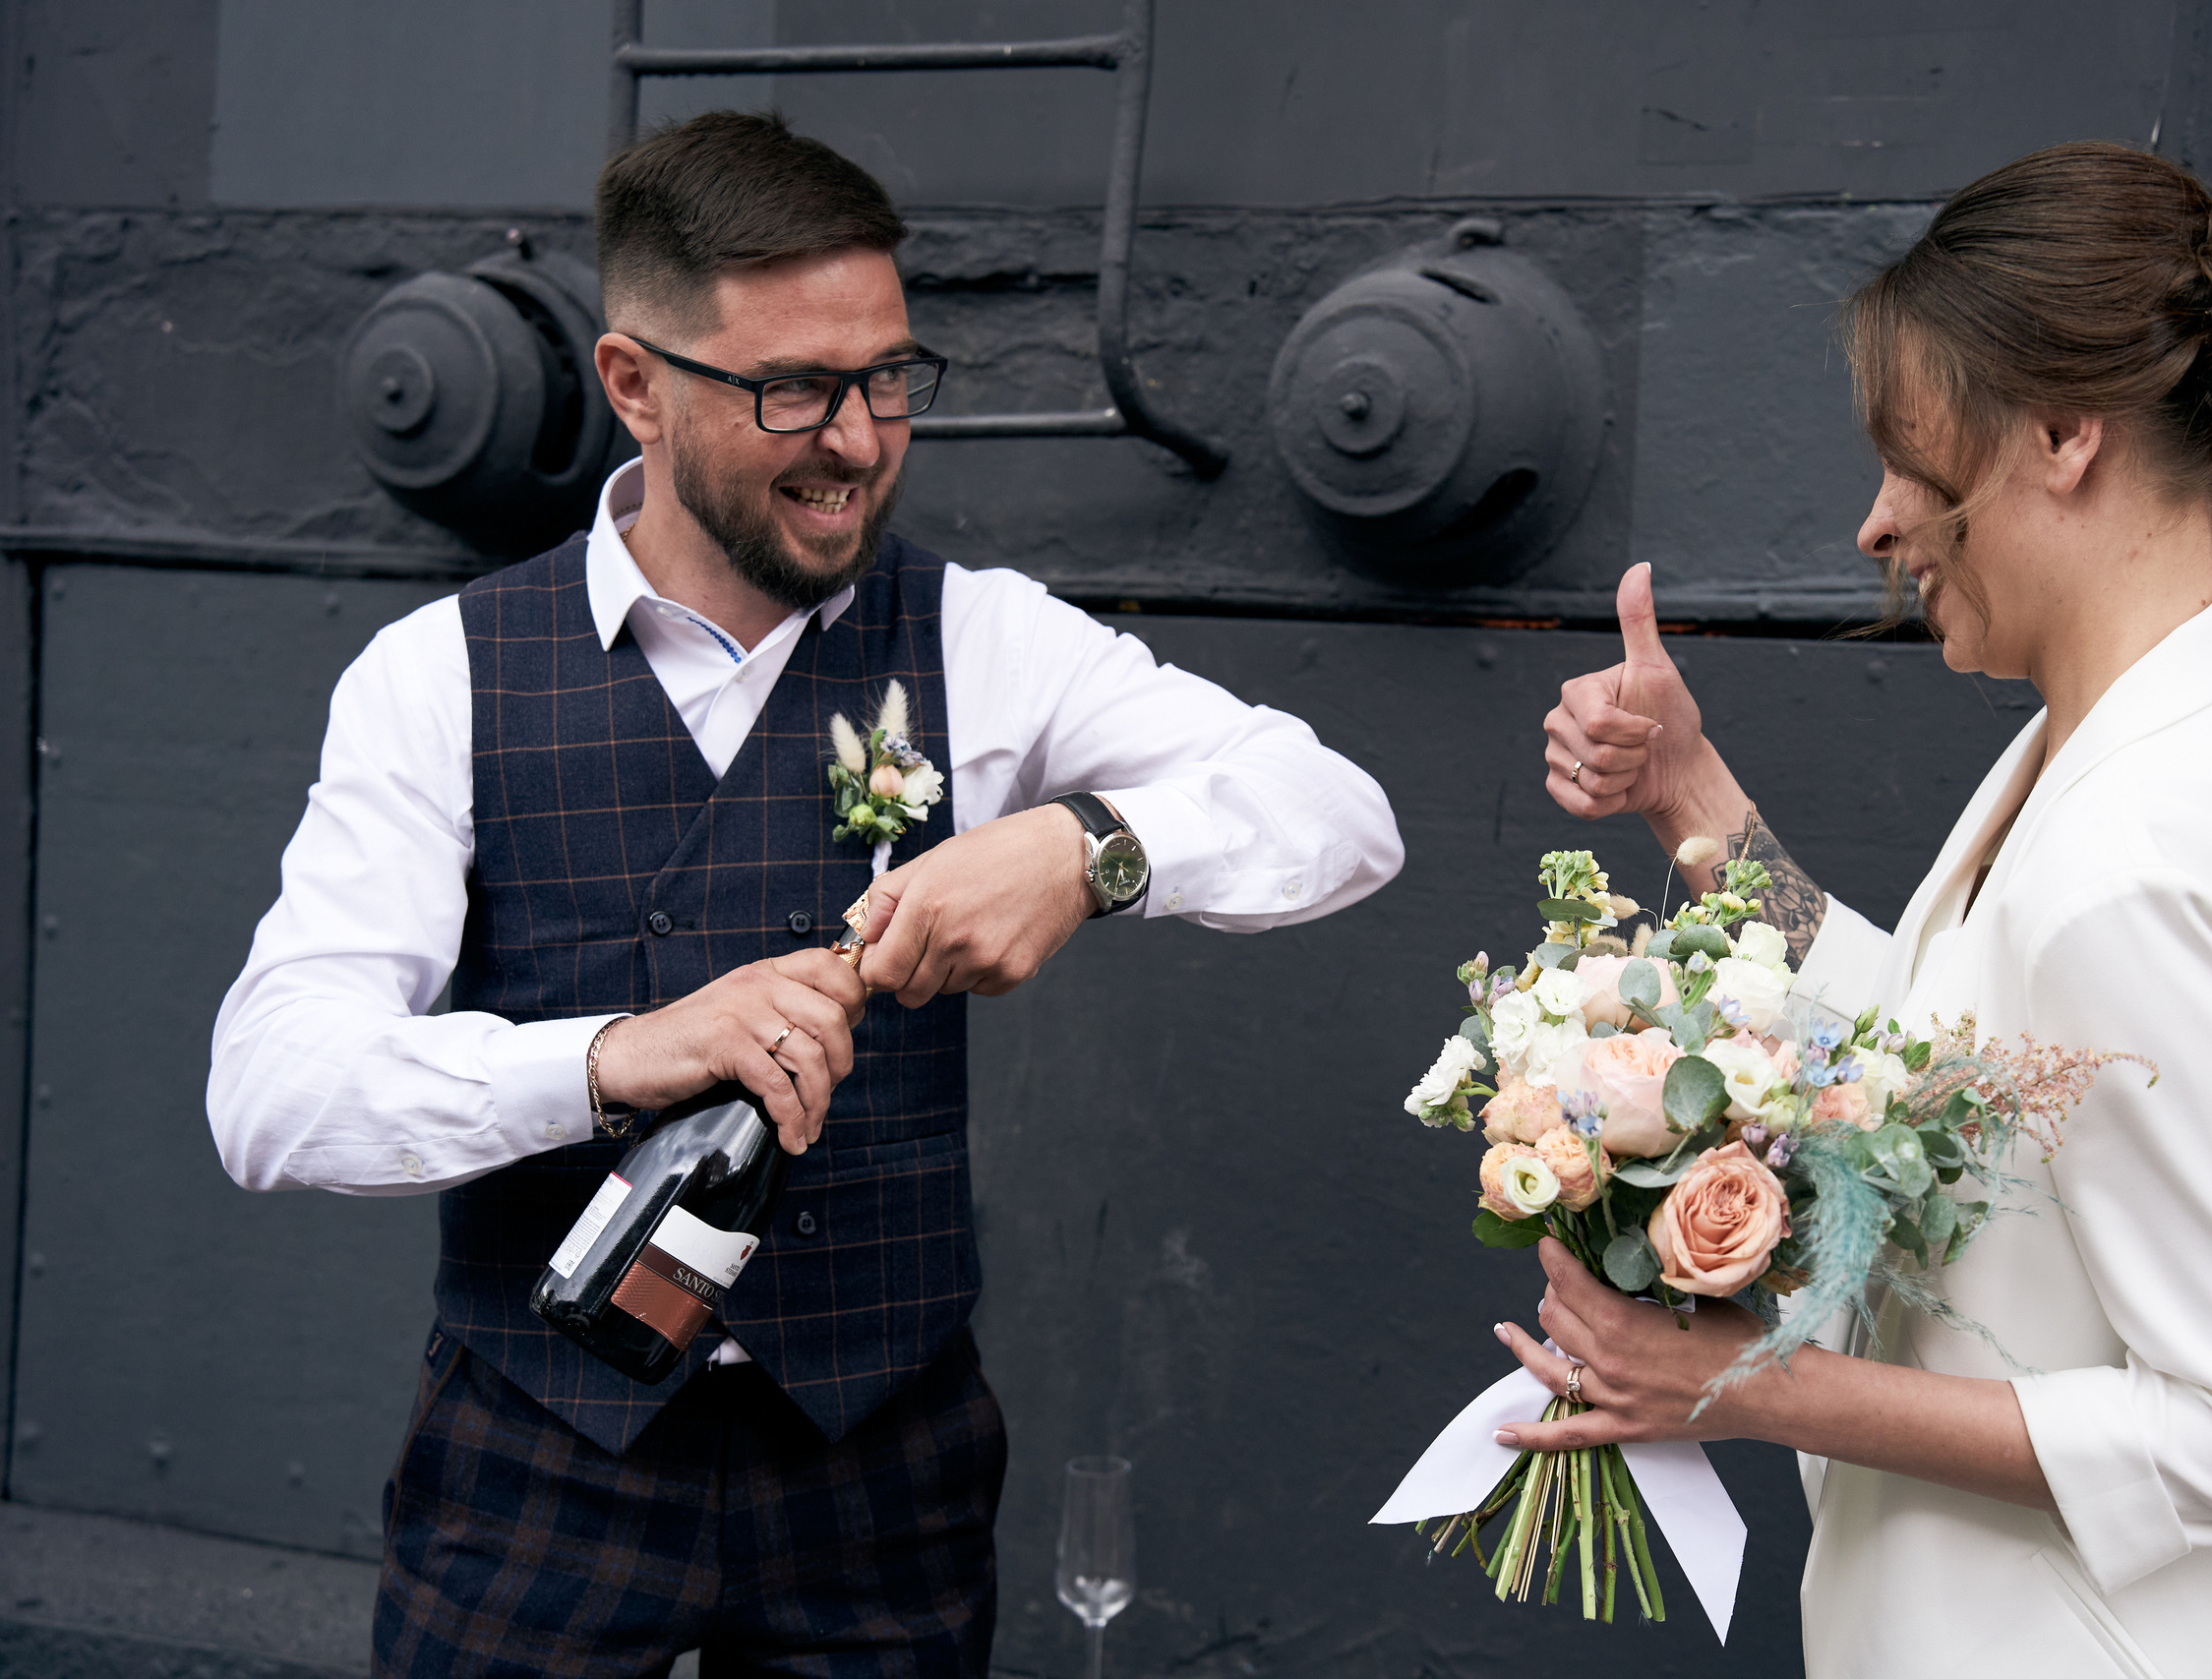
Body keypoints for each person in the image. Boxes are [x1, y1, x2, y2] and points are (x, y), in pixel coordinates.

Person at [207, 110, 1402, 1676]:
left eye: (888, 378)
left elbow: (1343, 815)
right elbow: (271, 1092)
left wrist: (1090, 849)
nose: (855, 438)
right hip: (533, 1471)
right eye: (791, 389)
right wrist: (603, 1056)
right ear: (634, 383)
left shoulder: (985, 638)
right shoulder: (436, 678)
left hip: (878, 1475)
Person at [1503, 142, 2212, 1677]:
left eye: (1913, 459)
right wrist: (1697, 802)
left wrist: (1746, 1384)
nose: (1879, 522)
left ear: (2064, 434)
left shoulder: (2144, 861)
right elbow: (1957, 1057)